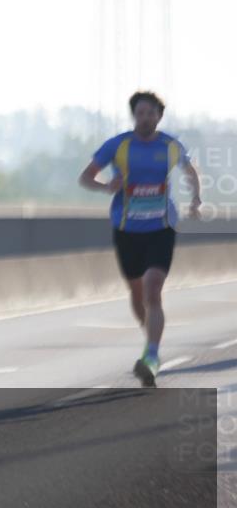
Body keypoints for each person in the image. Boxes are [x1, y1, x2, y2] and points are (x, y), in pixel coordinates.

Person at [79, 91, 201, 386]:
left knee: (152, 289)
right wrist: (107, 186)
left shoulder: (170, 145)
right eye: (140, 113)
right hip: (127, 230)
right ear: (134, 116)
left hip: (161, 228)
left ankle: (152, 356)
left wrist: (196, 199)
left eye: (151, 113)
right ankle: (150, 340)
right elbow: (86, 177)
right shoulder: (118, 145)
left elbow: (190, 171)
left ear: (159, 116)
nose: (145, 118)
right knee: (137, 295)